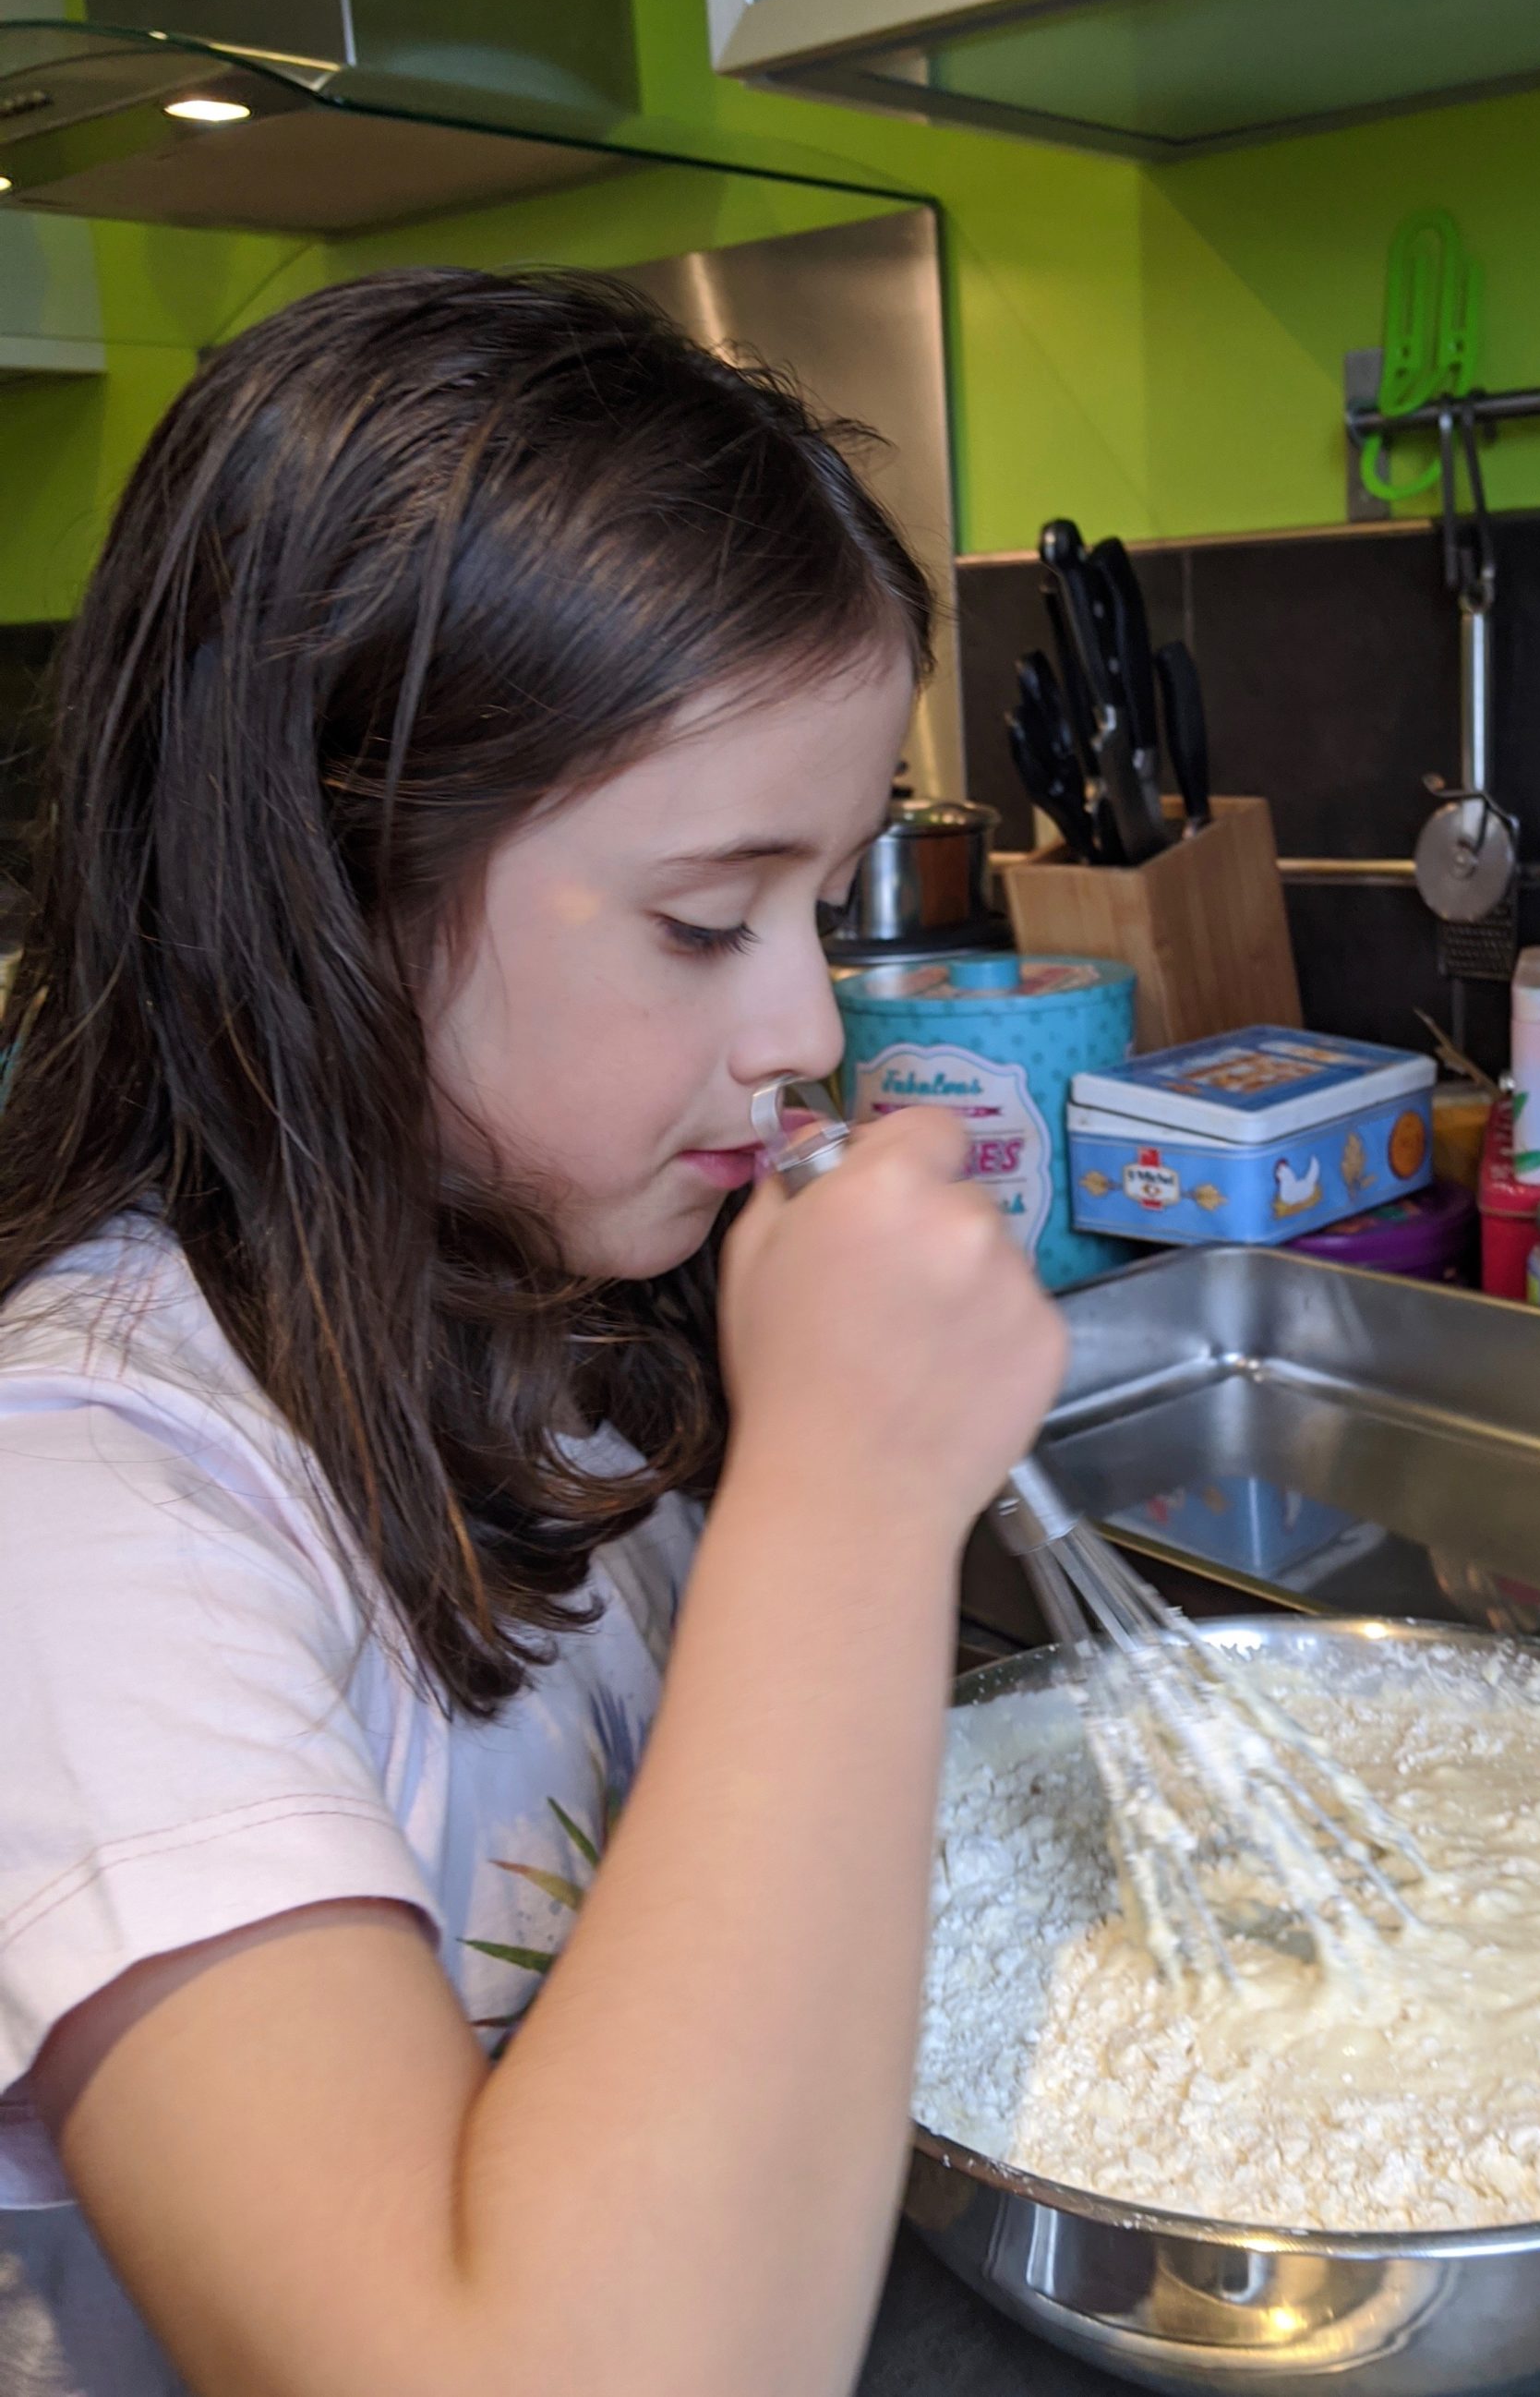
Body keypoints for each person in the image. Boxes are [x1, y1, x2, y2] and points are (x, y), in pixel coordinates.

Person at [0, 268, 1066, 2397]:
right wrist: (845, 1502)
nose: (803, 1026)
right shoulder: (84, 1522)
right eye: (705, 918)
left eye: (820, 906)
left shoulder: (559, 1306)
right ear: (332, 882)